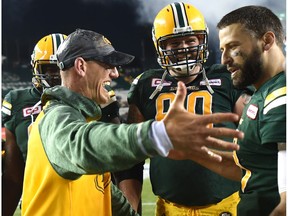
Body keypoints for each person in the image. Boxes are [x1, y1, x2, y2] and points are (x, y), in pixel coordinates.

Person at [20, 28, 244, 216]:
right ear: (81, 66)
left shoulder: (83, 118)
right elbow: (82, 147)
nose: (115, 74)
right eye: (108, 65)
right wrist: (157, 135)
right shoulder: (56, 117)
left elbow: (103, 187)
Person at [114, 2, 253, 215]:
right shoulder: (145, 84)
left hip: (225, 206)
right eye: (175, 42)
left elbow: (256, 134)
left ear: (202, 40)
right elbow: (132, 157)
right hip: (169, 208)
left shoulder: (226, 77)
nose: (185, 48)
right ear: (161, 46)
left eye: (190, 40)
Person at [190, 5, 286, 216]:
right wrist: (192, 149)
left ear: (267, 41)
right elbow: (251, 168)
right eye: (222, 50)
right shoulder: (262, 92)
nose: (224, 60)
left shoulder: (281, 96)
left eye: (233, 47)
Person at [1, 33, 67, 216]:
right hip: (38, 200)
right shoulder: (17, 101)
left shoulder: (92, 96)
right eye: (49, 68)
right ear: (35, 67)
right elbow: (13, 175)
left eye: (61, 68)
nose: (56, 75)